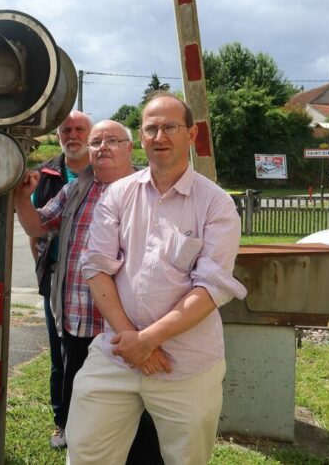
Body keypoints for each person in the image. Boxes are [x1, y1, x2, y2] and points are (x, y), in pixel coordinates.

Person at [67, 93, 248, 464]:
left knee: (187, 458)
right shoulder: (118, 194)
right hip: (117, 352)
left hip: (186, 364)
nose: (160, 136)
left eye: (170, 127)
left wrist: (148, 340)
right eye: (151, 128)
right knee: (85, 450)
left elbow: (211, 288)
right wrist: (132, 340)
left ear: (191, 134)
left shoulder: (216, 204)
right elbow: (96, 266)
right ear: (142, 135)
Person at [15, 120, 161, 462]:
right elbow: (37, 225)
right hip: (79, 322)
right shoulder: (77, 187)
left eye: (112, 140)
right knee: (85, 412)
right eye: (97, 142)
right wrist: (22, 197)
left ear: (130, 147)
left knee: (139, 417)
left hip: (127, 327)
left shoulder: (149, 189)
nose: (102, 147)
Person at [29, 111, 91, 448]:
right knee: (60, 354)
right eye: (66, 129)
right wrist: (44, 267)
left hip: (98, 282)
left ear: (90, 134)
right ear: (57, 134)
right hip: (57, 280)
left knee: (96, 353)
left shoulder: (106, 172)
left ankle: (96, 419)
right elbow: (35, 227)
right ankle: (62, 422)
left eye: (80, 128)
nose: (73, 134)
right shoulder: (46, 173)